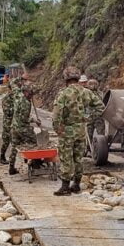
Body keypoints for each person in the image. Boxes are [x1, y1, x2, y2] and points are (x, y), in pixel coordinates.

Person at [52, 66, 87, 195]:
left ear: (65, 78)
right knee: (78, 157)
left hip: (67, 131)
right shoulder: (86, 92)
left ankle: (65, 187)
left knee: (66, 157)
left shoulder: (63, 94)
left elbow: (57, 114)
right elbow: (99, 106)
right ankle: (76, 184)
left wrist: (57, 128)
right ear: (77, 77)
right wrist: (87, 118)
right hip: (81, 130)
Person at [8, 83, 39, 175]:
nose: (31, 96)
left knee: (14, 147)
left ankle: (11, 167)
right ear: (25, 92)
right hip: (22, 128)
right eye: (30, 94)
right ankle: (35, 163)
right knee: (34, 142)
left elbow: (13, 84)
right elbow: (24, 119)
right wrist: (34, 120)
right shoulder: (25, 102)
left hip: (14, 127)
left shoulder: (18, 96)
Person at [80, 77, 106, 147]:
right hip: (96, 116)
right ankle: (95, 147)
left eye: (93, 84)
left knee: (90, 133)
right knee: (92, 133)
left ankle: (93, 147)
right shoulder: (100, 93)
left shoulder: (87, 93)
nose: (92, 86)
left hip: (93, 116)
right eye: (91, 84)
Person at [0, 81, 15, 165]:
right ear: (9, 89)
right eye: (12, 89)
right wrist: (17, 109)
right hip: (8, 123)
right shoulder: (6, 99)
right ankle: (2, 156)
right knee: (6, 141)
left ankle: (12, 161)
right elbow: (7, 111)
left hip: (15, 123)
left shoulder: (17, 98)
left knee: (15, 142)